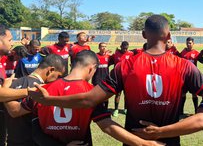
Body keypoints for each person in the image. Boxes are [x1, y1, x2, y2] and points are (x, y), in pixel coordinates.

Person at [29, 14, 203, 146]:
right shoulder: (183, 65)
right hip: (168, 142)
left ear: (143, 35)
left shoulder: (126, 64)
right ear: (169, 35)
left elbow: (88, 100)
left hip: (135, 142)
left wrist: (49, 98)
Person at [21, 50, 161, 146]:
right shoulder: (91, 94)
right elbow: (107, 127)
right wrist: (143, 143)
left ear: (72, 65)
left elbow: (30, 122)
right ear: (92, 68)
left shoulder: (42, 90)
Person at [4, 54, 66, 146]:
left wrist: (5, 91)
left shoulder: (12, 83)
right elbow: (14, 111)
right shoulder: (42, 89)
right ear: (51, 70)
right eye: (58, 76)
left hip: (12, 141)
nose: (57, 80)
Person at [111, 41, 134, 117]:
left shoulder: (130, 54)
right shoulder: (116, 53)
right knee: (118, 94)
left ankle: (125, 109)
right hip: (118, 77)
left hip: (127, 77)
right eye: (124, 48)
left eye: (126, 48)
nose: (125, 50)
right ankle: (116, 110)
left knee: (126, 94)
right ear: (121, 46)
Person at [179, 37, 200, 114]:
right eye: (187, 43)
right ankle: (181, 111)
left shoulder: (196, 53)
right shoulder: (183, 53)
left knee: (194, 94)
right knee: (183, 94)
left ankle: (196, 111)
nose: (189, 44)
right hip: (184, 77)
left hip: (192, 77)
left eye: (190, 43)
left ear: (193, 44)